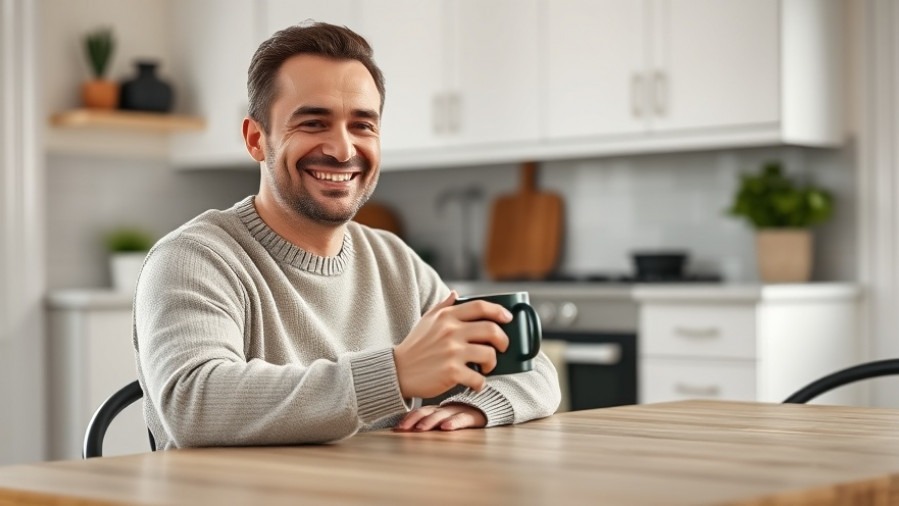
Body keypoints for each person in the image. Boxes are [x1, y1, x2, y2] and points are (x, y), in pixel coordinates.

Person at [133, 21, 560, 449]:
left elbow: (530, 370)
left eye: (362, 125)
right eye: (314, 123)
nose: (343, 150)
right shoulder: (193, 259)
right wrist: (395, 374)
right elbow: (193, 403)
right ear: (256, 139)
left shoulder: (394, 262)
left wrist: (472, 408)